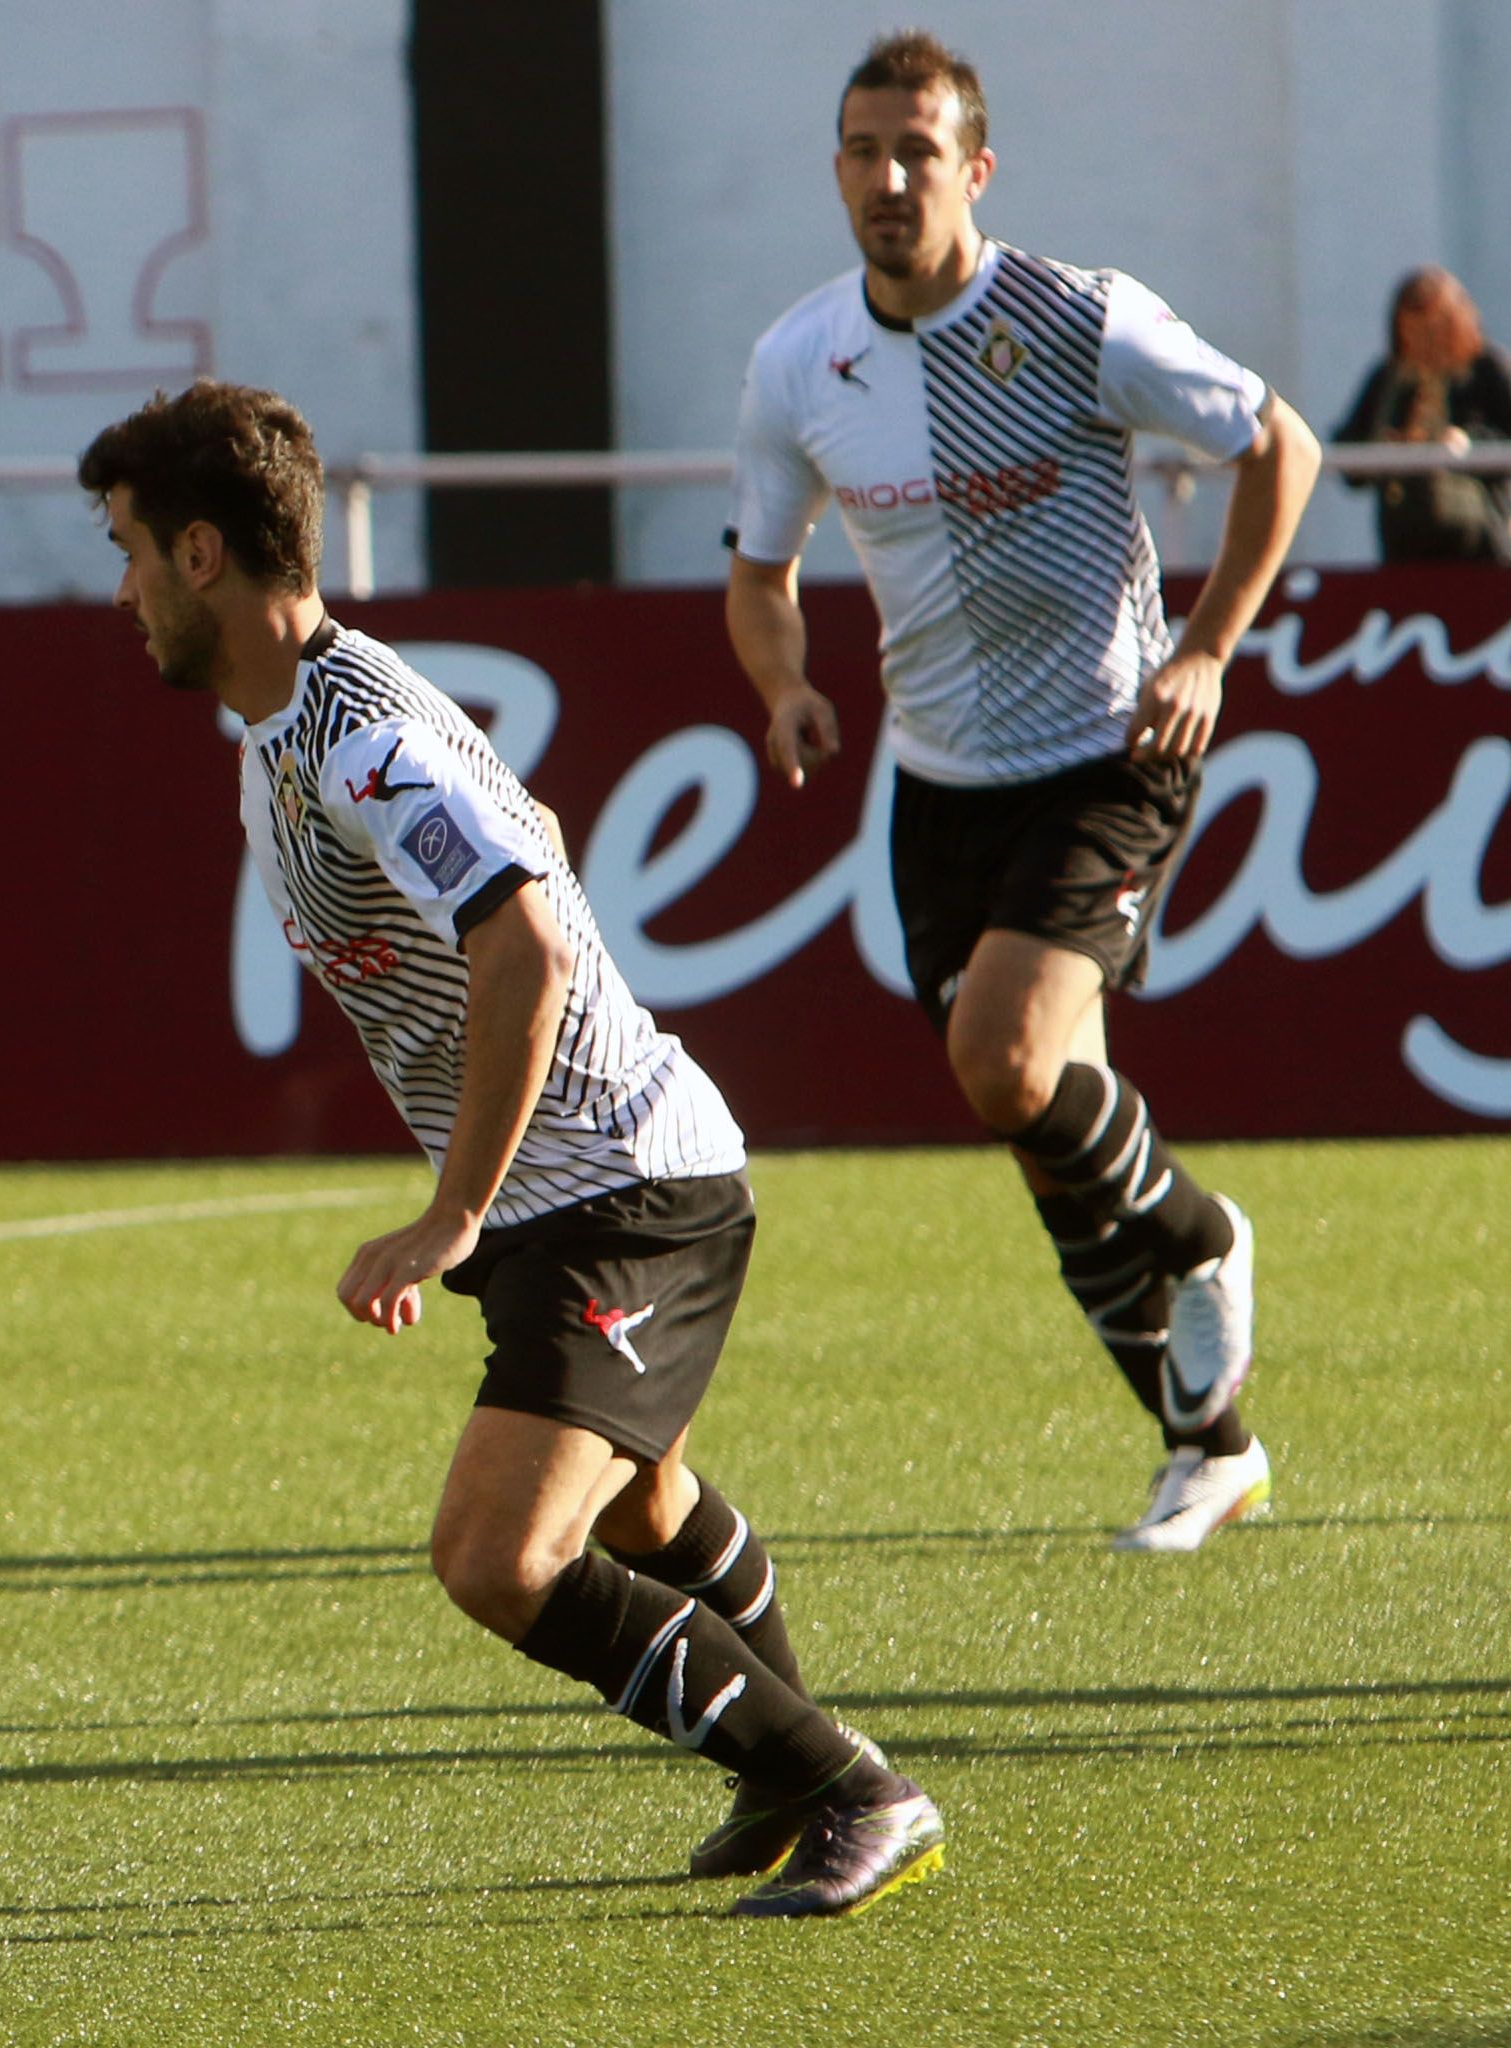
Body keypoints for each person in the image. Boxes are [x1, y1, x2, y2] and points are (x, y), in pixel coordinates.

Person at [83, 380, 942, 1919]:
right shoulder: (287, 728)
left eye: (132, 550)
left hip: (624, 1187)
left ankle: (852, 1788)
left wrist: (449, 1213)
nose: (123, 589)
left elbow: (527, 950)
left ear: (204, 553)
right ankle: (782, 1767)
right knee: (643, 1507)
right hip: (585, 1194)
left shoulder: (356, 743)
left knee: (496, 1553)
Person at [721, 32, 1317, 1551]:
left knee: (1003, 1061)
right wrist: (782, 680)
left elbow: (1280, 445)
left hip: (1110, 752)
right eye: (863, 150)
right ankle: (1211, 1449)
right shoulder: (800, 361)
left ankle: (1202, 1233)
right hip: (938, 785)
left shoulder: (1074, 318)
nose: (889, 178)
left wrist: (1207, 647)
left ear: (974, 170)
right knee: (1049, 1153)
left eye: (919, 151)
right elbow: (760, 571)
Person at [1330, 266, 1511, 563]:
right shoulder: (1388, 378)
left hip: (1481, 550)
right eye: (1413, 332)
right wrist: (1388, 449)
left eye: (1435, 330)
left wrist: (1467, 443)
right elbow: (1349, 456)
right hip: (1404, 548)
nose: (1425, 343)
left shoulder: (1487, 370)